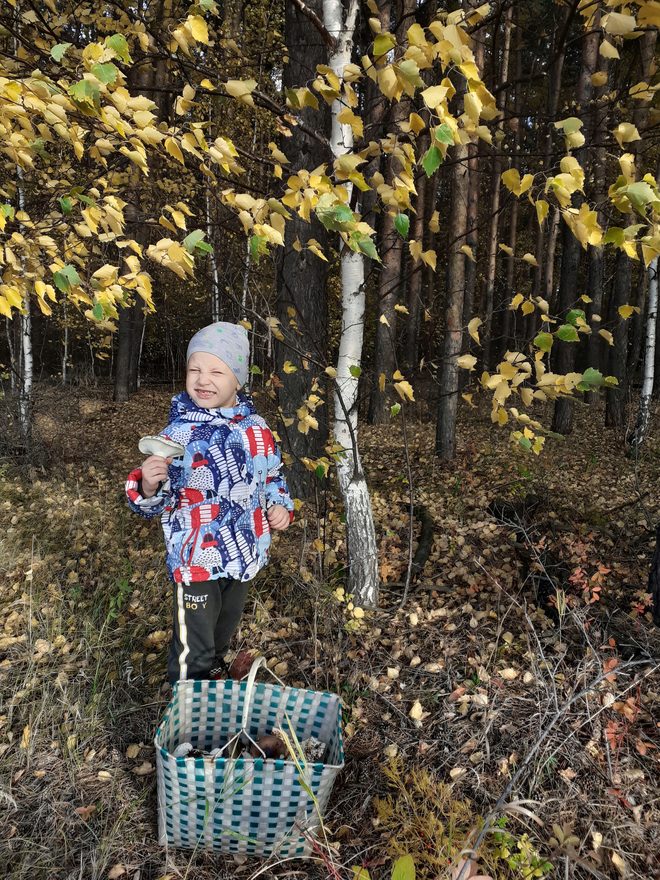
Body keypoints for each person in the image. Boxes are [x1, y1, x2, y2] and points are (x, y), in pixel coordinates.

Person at [125, 321, 293, 684]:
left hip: (244, 550)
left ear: (238, 379)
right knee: (195, 640)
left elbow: (272, 476)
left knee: (223, 626)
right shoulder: (177, 435)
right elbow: (153, 502)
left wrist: (280, 505)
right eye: (194, 369)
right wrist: (150, 486)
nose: (203, 379)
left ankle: (213, 671)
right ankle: (188, 703)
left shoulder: (258, 429)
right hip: (196, 555)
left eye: (216, 370)